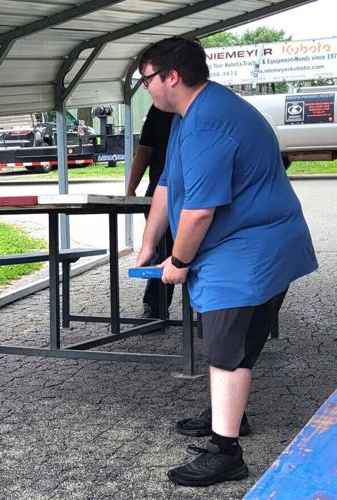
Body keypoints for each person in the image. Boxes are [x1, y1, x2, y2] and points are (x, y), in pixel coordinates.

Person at [134, 37, 317, 487]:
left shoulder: (207, 122)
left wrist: (176, 260)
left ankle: (226, 451)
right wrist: (146, 247)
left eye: (147, 80)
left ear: (170, 77)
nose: (147, 89)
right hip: (263, 247)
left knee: (226, 353)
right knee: (238, 343)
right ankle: (228, 415)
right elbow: (166, 187)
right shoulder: (190, 114)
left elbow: (198, 211)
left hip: (246, 253)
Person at [126, 105, 175, 318]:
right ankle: (155, 309)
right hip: (159, 196)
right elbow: (145, 149)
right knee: (161, 251)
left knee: (168, 252)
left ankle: (206, 313)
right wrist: (130, 189)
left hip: (186, 195)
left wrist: (131, 188)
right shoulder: (159, 108)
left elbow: (145, 150)